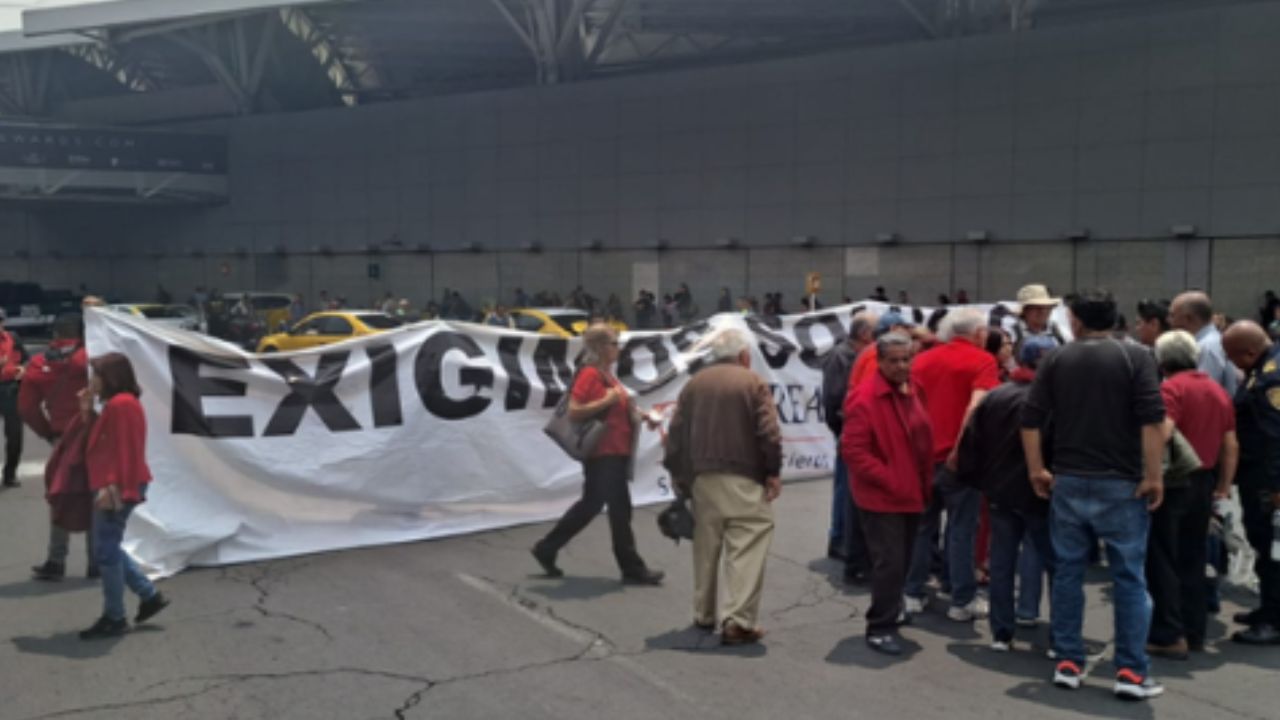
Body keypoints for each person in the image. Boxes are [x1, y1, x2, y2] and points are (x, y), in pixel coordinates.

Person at [1022, 289, 1167, 699]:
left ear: (1074, 319)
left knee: (1068, 572)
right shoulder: (1135, 356)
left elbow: (1030, 419)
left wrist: (1037, 468)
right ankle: (1131, 672)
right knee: (1128, 578)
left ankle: (1068, 660)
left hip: (1068, 479)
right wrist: (1154, 475)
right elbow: (1152, 420)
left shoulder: (1055, 358)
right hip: (1122, 482)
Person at [663, 328, 782, 645]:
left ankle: (704, 613)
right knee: (748, 542)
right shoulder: (752, 382)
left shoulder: (694, 384)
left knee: (706, 545)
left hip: (702, 478)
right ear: (743, 356)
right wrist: (772, 472)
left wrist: (678, 473)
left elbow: (675, 434)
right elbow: (768, 432)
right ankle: (738, 620)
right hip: (744, 476)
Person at [531, 325, 664, 586]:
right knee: (611, 508)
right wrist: (608, 399)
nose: (619, 348)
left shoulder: (606, 374)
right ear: (601, 347)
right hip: (604, 453)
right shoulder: (591, 374)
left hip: (614, 452)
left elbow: (619, 409)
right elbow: (575, 411)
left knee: (601, 506)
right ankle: (631, 567)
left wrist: (643, 416)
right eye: (614, 343)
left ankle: (548, 547)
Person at [957, 335, 1058, 652]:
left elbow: (973, 442)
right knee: (1057, 564)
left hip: (1000, 493)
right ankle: (1060, 635)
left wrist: (980, 481)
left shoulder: (997, 396)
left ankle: (1002, 632)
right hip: (1041, 493)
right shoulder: (1054, 401)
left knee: (1001, 561)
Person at [1146, 330, 1238, 658]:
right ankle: (1194, 630)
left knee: (1162, 558)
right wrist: (1223, 487)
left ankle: (1169, 633)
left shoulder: (1171, 388)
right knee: (1193, 558)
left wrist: (1150, 474)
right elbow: (1230, 444)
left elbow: (1163, 431)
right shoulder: (1216, 390)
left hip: (1173, 483)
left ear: (1162, 360)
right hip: (1204, 481)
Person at [904, 307, 1000, 622]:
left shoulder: (922, 360)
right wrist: (960, 447)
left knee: (922, 528)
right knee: (961, 530)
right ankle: (962, 600)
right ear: (976, 333)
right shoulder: (983, 360)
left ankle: (913, 592)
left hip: (923, 457)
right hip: (961, 460)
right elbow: (978, 404)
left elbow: (909, 407)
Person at [841, 332, 933, 656]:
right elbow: (853, 449)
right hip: (883, 497)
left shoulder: (912, 390)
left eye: (906, 359)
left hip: (911, 493)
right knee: (890, 563)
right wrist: (892, 479)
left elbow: (920, 439)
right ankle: (880, 626)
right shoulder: (865, 398)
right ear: (879, 362)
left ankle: (891, 611)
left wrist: (921, 483)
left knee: (903, 560)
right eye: (893, 360)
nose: (901, 365)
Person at [79, 353, 170, 639]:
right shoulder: (115, 405)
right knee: (109, 546)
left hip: (117, 485)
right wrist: (86, 409)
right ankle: (148, 595)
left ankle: (115, 616)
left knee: (105, 550)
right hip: (116, 483)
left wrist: (114, 488)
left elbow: (127, 451)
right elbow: (100, 441)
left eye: (97, 375)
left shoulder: (121, 405)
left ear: (111, 378)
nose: (93, 380)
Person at [20, 314, 96, 581]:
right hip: (94, 435)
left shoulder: (39, 363)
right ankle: (96, 561)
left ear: (54, 334)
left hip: (62, 437)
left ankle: (56, 559)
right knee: (95, 496)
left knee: (60, 494)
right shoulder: (91, 357)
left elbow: (27, 408)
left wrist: (48, 434)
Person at [1221, 321, 1280, 645]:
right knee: (1262, 544)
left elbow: (1276, 437)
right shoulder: (1266, 366)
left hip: (1266, 478)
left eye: (1232, 356)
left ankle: (1274, 619)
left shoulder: (1271, 379)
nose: (1230, 363)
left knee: (1272, 548)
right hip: (1257, 473)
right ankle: (1269, 607)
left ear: (1250, 351)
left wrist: (1276, 486)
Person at [822, 312, 877, 582]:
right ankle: (840, 539)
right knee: (846, 487)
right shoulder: (841, 356)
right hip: (848, 429)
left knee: (847, 486)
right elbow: (833, 397)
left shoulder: (851, 355)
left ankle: (842, 538)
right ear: (865, 334)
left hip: (849, 428)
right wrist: (841, 429)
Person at [1170, 291, 1238, 396]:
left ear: (1188, 318)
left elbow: (1202, 396)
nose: (1170, 321)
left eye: (1173, 315)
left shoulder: (1207, 348)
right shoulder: (1210, 342)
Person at [0, 308, 26, 487]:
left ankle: (10, 473)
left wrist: (23, 368)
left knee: (15, 433)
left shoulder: (13, 338)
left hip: (10, 389)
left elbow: (25, 358)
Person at [1011, 284, 1066, 352]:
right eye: (1037, 307)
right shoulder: (1012, 332)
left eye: (1047, 307)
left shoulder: (1057, 330)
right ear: (1025, 310)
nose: (1043, 311)